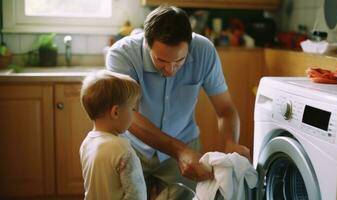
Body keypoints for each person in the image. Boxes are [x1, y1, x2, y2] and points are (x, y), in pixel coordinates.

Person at [106, 5, 251, 199]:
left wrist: (231, 142)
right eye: (162, 61)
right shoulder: (121, 55)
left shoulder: (204, 51)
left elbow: (225, 110)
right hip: (132, 149)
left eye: (179, 61)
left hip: (184, 143)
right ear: (147, 44)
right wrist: (180, 150)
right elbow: (128, 116)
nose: (170, 70)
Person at [79, 70, 146, 200]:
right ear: (115, 112)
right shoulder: (122, 149)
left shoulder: (86, 143)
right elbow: (137, 195)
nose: (134, 114)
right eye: (132, 108)